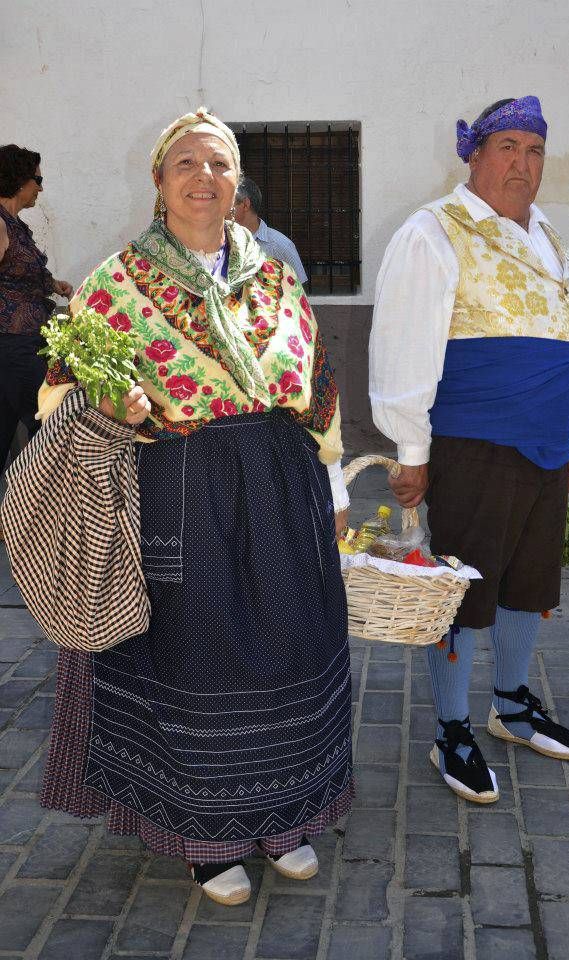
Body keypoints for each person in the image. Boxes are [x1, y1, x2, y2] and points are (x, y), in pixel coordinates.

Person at [38, 108, 353, 905]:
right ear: (158, 182)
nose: (203, 178)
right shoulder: (118, 282)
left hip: (284, 486)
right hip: (181, 490)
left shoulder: (274, 274)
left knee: (293, 645)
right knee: (198, 658)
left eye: (218, 164)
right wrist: (123, 410)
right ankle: (205, 835)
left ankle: (284, 820)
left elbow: (315, 385)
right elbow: (54, 401)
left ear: (236, 179)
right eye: (185, 163)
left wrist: (337, 484)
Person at [370, 97, 569, 804]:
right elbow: (404, 342)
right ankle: (450, 729)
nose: (521, 165)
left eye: (534, 150)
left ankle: (511, 704)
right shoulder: (433, 231)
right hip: (472, 442)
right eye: (507, 147)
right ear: (473, 153)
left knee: (530, 582)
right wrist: (412, 448)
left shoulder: (550, 235)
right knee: (463, 591)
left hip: (542, 445)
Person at [0, 144, 73, 472]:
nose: (40, 187)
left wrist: (53, 284)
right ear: (18, 180)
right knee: (49, 427)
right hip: (14, 344)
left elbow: (18, 272)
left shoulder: (14, 225)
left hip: (23, 341)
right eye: (37, 180)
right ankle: (53, 512)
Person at [234, 176, 309, 284]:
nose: (220, 208)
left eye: (227, 202)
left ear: (245, 204)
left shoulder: (280, 245)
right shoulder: (218, 242)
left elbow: (299, 293)